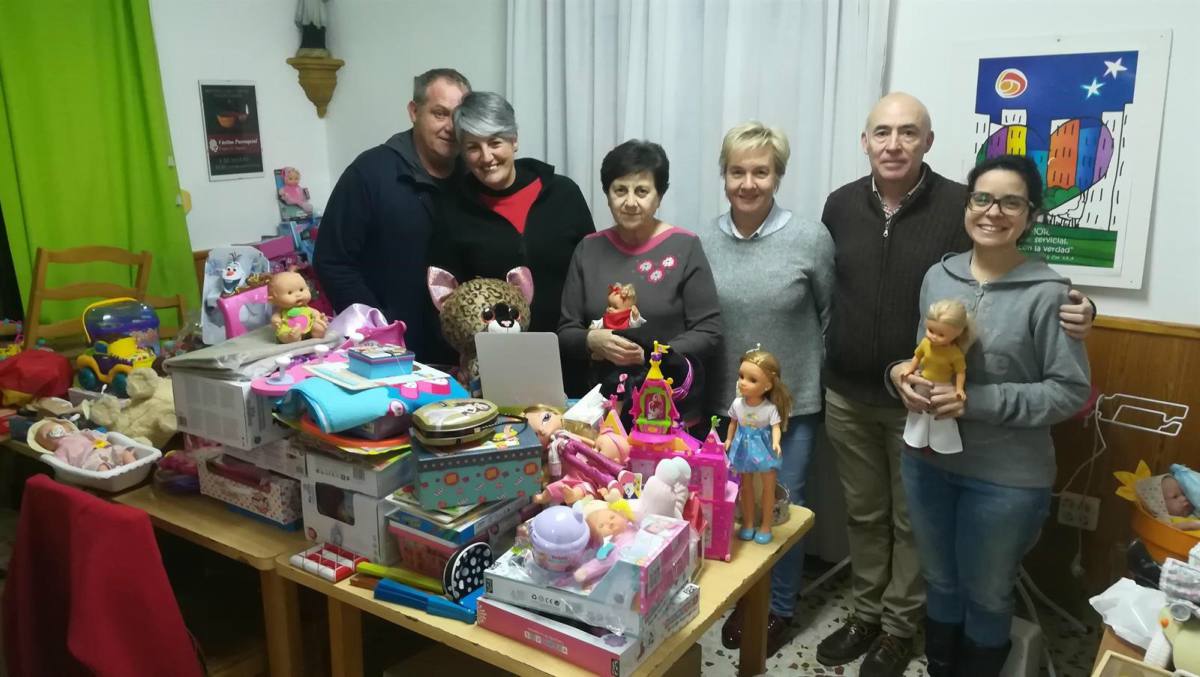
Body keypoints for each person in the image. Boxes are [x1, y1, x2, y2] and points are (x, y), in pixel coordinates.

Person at [816, 92, 1096, 677]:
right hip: (868, 399)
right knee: (878, 527)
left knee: (946, 559)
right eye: (882, 132)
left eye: (908, 132)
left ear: (929, 141)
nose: (894, 144)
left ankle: (899, 631)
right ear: (864, 140)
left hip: (970, 448)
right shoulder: (845, 208)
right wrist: (900, 371)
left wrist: (1080, 308)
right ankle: (872, 619)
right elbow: (915, 335)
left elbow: (1061, 372)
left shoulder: (962, 213)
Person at [888, 154, 1091, 675]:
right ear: (967, 205)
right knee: (941, 579)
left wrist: (978, 402)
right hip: (929, 459)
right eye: (982, 198)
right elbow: (924, 354)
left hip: (1006, 478)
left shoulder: (1051, 294)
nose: (993, 212)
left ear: (1031, 214)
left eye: (1011, 202)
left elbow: (1070, 392)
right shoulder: (939, 276)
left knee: (987, 592)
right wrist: (901, 378)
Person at [700, 122, 833, 655]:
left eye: (761, 171)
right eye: (738, 171)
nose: (748, 182)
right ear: (724, 175)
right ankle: (739, 598)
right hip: (723, 406)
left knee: (779, 505)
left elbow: (829, 317)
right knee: (731, 502)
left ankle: (775, 610)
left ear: (778, 175)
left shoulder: (810, 238)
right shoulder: (703, 239)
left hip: (788, 408)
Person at [313, 68, 470, 363]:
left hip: (459, 352)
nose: (450, 126)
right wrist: (379, 328)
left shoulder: (473, 177)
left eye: (459, 116)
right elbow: (332, 260)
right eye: (439, 113)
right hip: (388, 352)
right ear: (414, 111)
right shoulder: (370, 173)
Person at [558, 140, 721, 408]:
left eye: (642, 191)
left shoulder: (685, 246)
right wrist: (591, 340)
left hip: (671, 402)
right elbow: (566, 330)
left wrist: (653, 354)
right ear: (607, 194)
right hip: (603, 404)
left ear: (659, 196)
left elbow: (708, 330)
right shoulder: (588, 249)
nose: (630, 202)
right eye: (620, 190)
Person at [428, 91, 595, 336]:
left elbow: (592, 272)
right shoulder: (452, 210)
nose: (486, 157)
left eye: (495, 143)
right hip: (493, 359)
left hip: (571, 350)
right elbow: (445, 300)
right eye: (473, 147)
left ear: (514, 140)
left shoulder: (564, 193)